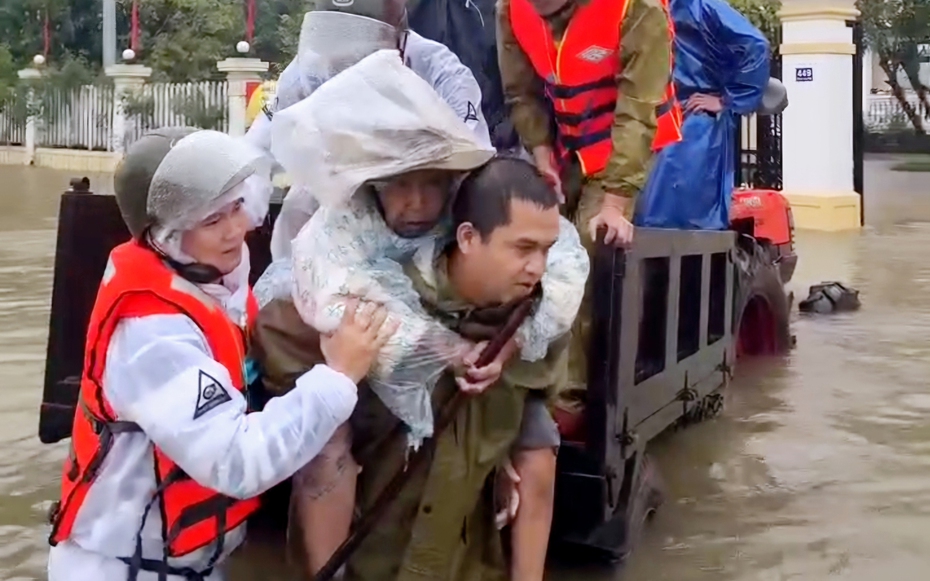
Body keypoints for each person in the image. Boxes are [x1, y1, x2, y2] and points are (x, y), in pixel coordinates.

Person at [45, 128, 396, 581]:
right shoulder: (151, 333)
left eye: (236, 207)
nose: (237, 230)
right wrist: (339, 376)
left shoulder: (215, 283)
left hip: (197, 562)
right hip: (128, 569)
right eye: (212, 220)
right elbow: (236, 461)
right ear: (167, 234)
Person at [252, 157, 572, 581]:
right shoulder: (369, 297)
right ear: (469, 237)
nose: (537, 267)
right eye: (523, 249)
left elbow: (537, 456)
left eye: (544, 251)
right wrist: (344, 369)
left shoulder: (536, 321)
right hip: (372, 559)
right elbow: (274, 335)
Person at [497, 0, 682, 425]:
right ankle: (520, 371)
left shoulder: (637, 8)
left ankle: (570, 399)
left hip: (624, 144)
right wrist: (542, 157)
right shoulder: (510, 8)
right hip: (566, 145)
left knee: (583, 245)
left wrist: (615, 203)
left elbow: (637, 112)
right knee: (527, 236)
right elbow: (520, 91)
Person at [244, 0, 492, 263]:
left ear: (399, 42)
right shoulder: (308, 69)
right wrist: (237, 217)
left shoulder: (440, 70)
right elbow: (256, 149)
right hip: (340, 194)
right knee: (299, 205)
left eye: (360, 50)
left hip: (421, 199)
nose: (346, 61)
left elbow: (473, 152)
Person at [633, 0, 771, 230]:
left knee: (675, 206)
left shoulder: (702, 6)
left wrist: (726, 100)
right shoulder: (651, 7)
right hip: (661, 112)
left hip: (695, 120)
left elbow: (756, 45)